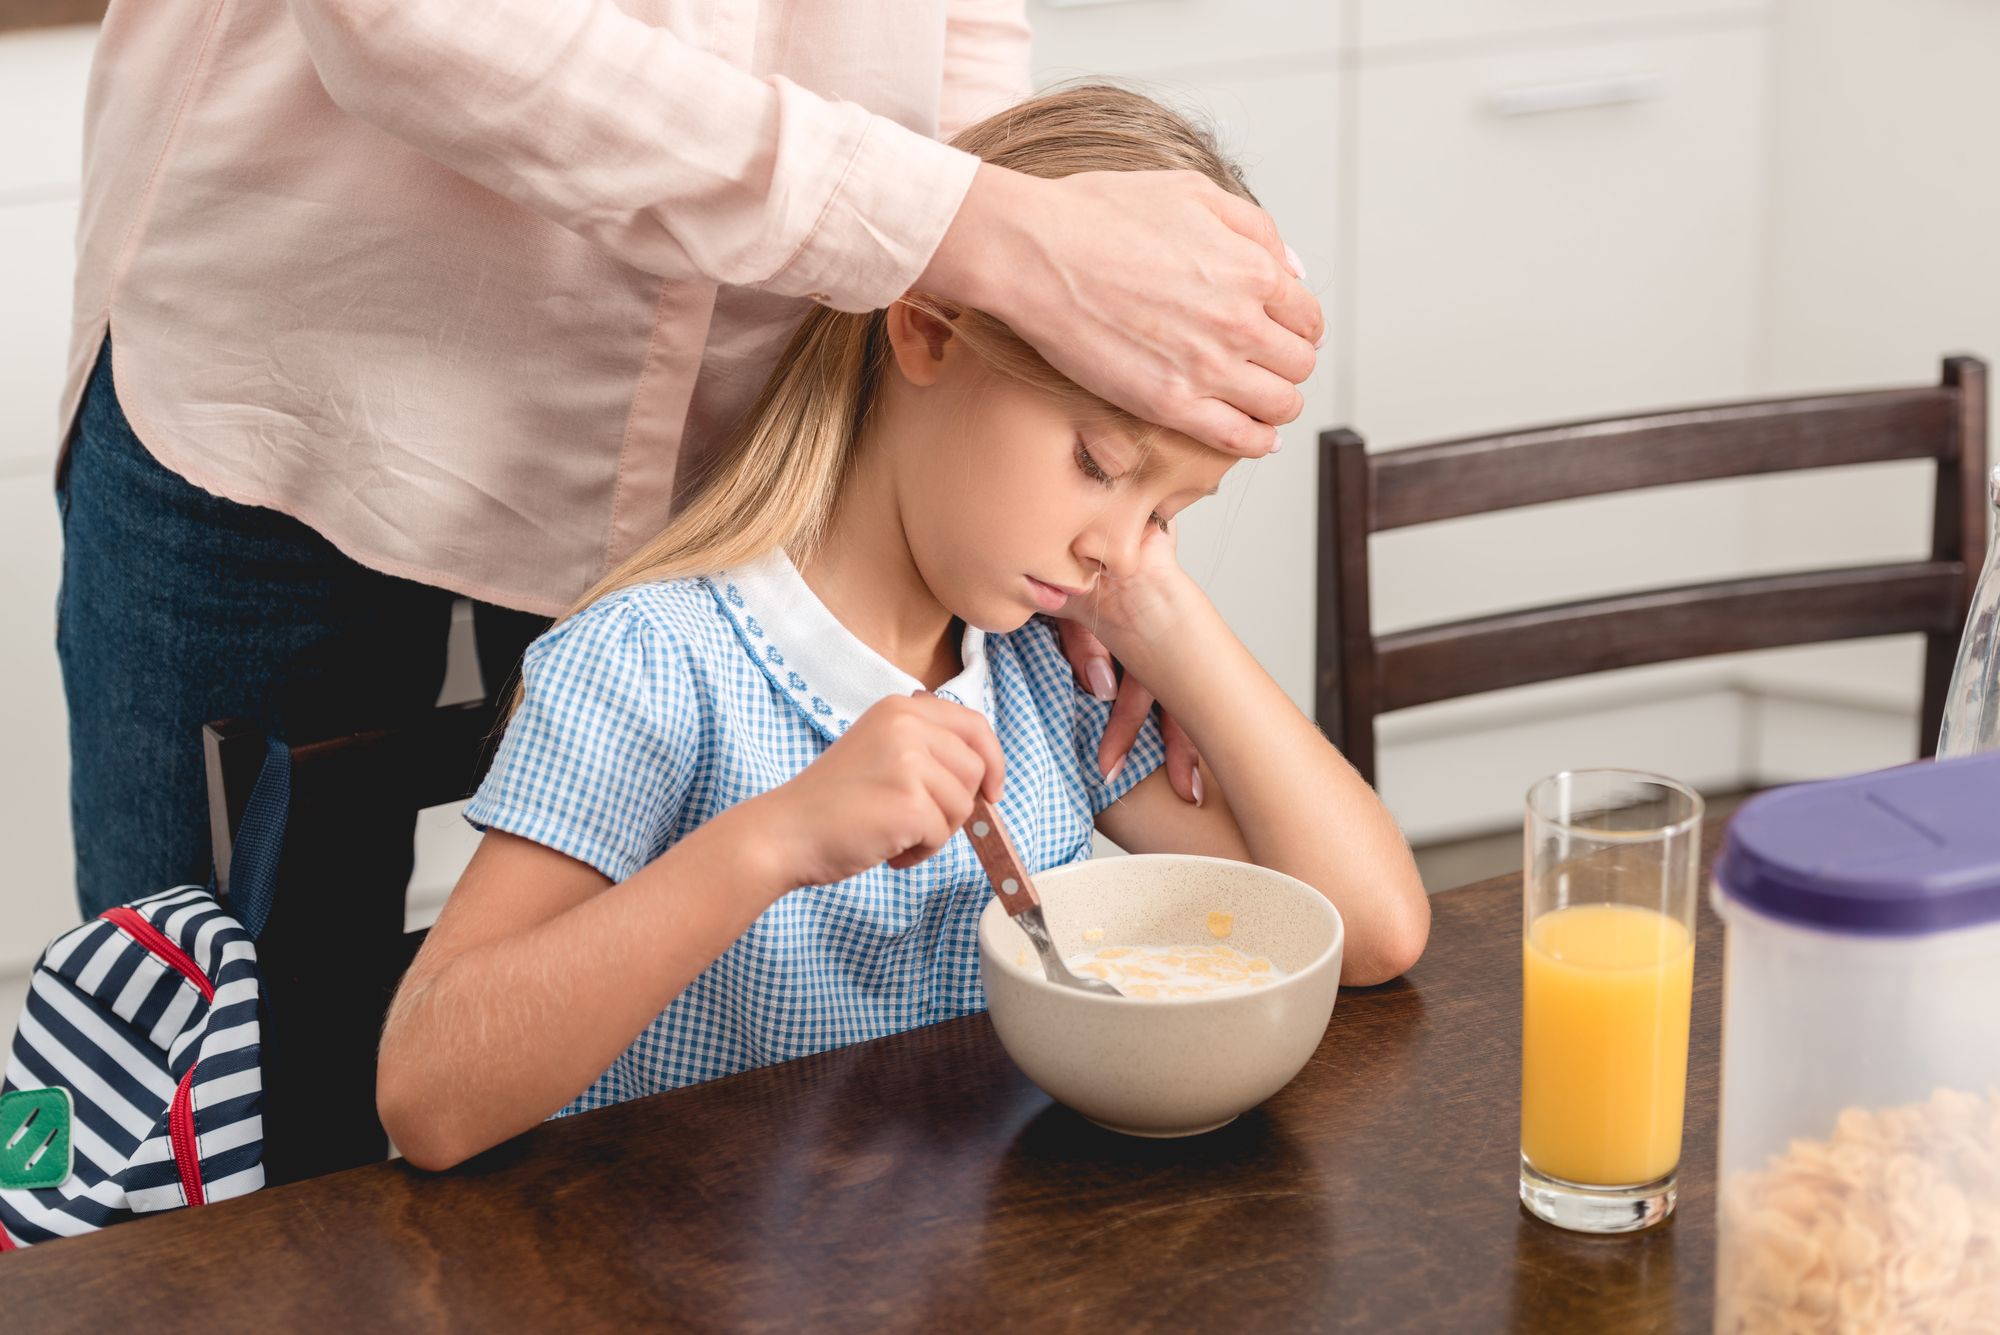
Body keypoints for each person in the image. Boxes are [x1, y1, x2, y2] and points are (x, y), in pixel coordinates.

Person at [58, 0, 1323, 916]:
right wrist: (979, 235)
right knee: (189, 1110)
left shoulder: (948, 541)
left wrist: (1051, 413)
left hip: (709, 432)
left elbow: (954, 36)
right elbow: (402, 23)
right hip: (287, 379)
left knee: (652, 1116)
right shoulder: (657, 663)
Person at [376, 86, 1427, 1173]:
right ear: (927, 329)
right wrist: (773, 841)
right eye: (1098, 466)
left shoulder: (1046, 669)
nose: (1114, 544)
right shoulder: (653, 665)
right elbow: (428, 1098)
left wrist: (1160, 612)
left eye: (1165, 516)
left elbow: (1367, 930)